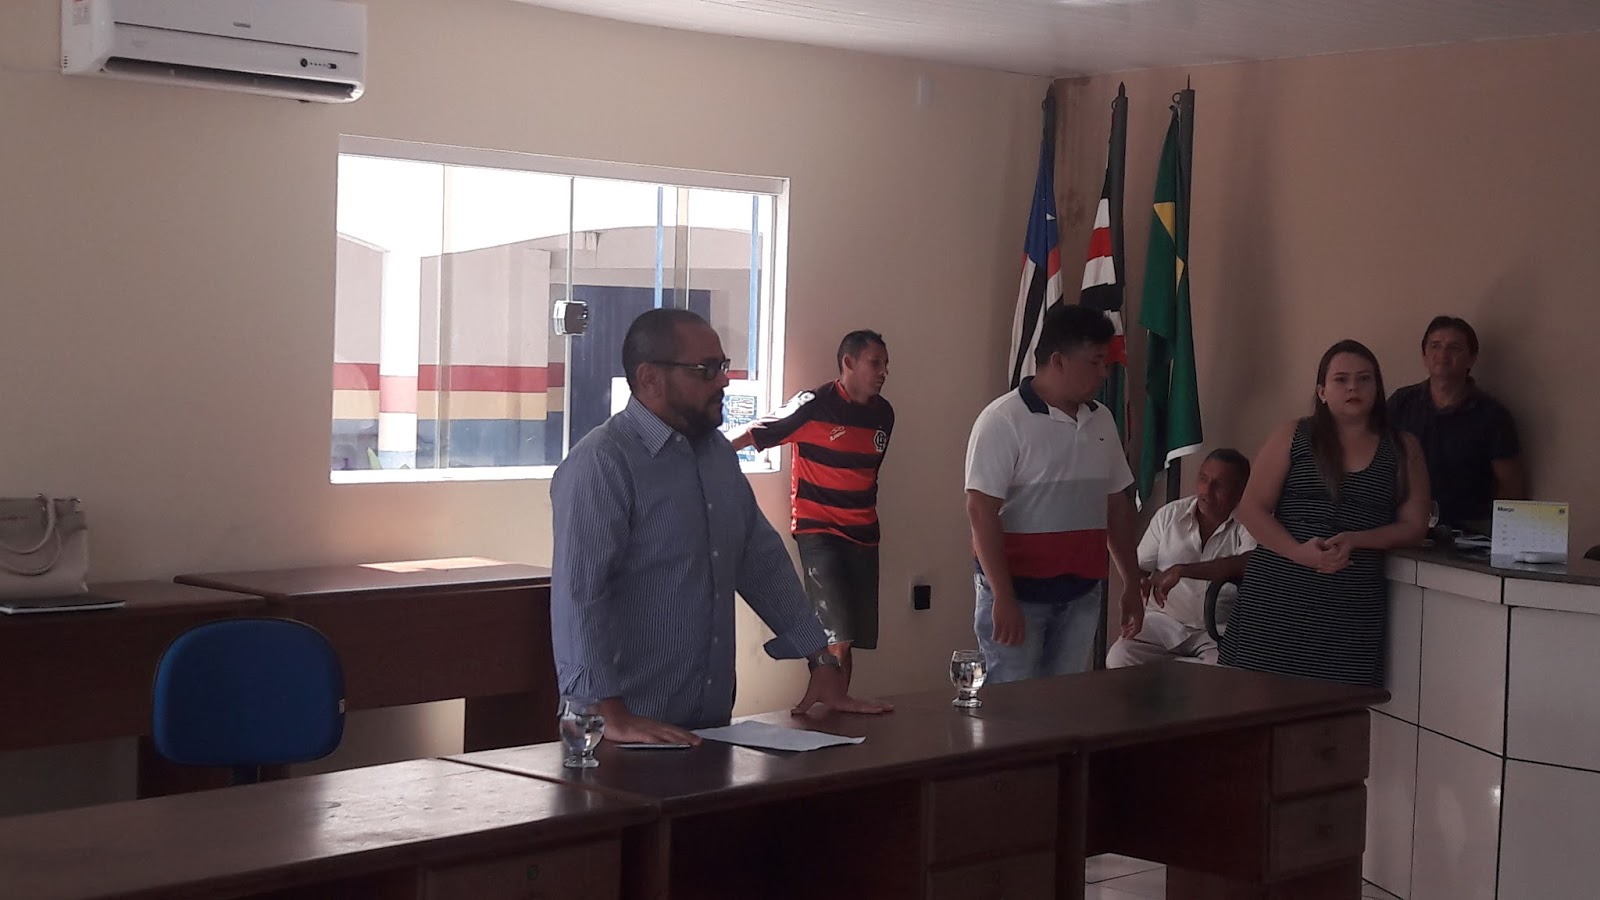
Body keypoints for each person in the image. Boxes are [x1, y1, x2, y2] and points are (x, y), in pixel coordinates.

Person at [550, 309, 891, 745]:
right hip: (621, 739)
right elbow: (580, 595)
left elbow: (761, 561)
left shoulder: (717, 456)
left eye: (723, 366)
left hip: (708, 730)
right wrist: (604, 711)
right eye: (706, 369)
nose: (724, 381)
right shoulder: (602, 463)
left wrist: (820, 660)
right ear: (651, 378)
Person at [1220, 339, 1430, 687]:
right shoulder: (1293, 434)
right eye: (1341, 379)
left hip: (1350, 602)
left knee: (1335, 709)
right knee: (1257, 701)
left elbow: (1414, 526)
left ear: (1377, 388)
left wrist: (1357, 539)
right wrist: (1299, 553)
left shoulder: (1403, 447)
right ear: (1322, 391)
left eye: (1364, 379)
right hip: (1278, 593)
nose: (1353, 388)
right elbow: (1252, 509)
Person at [964, 303, 1143, 683]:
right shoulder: (1003, 420)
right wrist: (1003, 596)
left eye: (1105, 362)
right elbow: (981, 511)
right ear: (1059, 361)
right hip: (1018, 594)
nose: (1104, 372)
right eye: (1095, 362)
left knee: (1065, 702)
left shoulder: (1102, 420)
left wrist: (1130, 581)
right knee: (1012, 704)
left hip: (1081, 594)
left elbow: (1116, 505)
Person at [729, 330, 893, 687]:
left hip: (864, 535)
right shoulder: (813, 404)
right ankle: (829, 709)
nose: (883, 372)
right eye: (875, 363)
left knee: (849, 638)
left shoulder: (884, 414)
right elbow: (755, 433)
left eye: (886, 364)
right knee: (836, 638)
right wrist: (706, 458)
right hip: (819, 531)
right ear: (849, 363)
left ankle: (837, 707)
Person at [1106, 449, 1256, 667]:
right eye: (1203, 478)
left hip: (1216, 632)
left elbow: (1249, 562)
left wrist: (1183, 570)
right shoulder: (1169, 515)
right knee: (1119, 656)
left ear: (1241, 490)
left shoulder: (1250, 522)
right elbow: (1138, 568)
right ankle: (1180, 669)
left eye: (1220, 485)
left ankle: (1176, 671)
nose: (1206, 490)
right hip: (1164, 623)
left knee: (1224, 670)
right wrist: (1139, 582)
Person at [1387, 315, 1526, 532]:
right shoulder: (1401, 403)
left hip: (1467, 533)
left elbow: (1512, 487)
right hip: (1404, 527)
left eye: (1454, 348)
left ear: (1472, 359)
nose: (1443, 355)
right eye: (1435, 346)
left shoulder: (1493, 415)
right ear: (1424, 356)